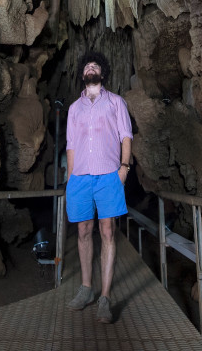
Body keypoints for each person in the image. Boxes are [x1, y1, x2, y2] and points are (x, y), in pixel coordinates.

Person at [65, 50, 133, 323]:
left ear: (102, 73)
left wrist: (124, 169)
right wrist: (71, 177)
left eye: (95, 66)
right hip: (80, 176)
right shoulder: (73, 109)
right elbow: (71, 145)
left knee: (107, 231)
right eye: (86, 66)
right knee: (83, 230)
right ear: (83, 74)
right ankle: (85, 288)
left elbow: (126, 136)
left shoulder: (116, 103)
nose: (90, 68)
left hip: (109, 175)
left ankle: (104, 297)